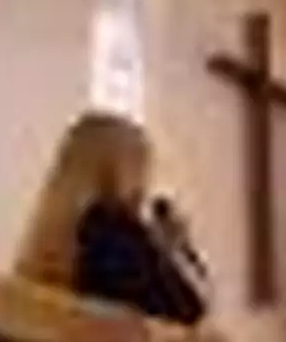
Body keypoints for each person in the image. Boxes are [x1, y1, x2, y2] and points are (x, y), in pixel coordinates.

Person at [15, 111, 206, 326]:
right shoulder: (114, 233)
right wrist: (173, 248)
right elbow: (185, 312)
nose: (145, 182)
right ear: (120, 168)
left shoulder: (51, 239)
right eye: (142, 168)